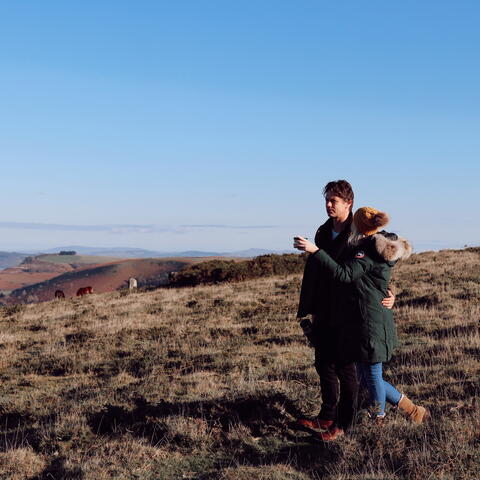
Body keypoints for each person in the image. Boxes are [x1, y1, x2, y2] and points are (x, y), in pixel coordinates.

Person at [294, 206, 428, 436]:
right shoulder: (377, 246)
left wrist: (315, 251)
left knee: (372, 374)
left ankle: (379, 420)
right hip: (362, 317)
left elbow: (345, 274)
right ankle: (412, 410)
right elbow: (375, 280)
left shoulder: (367, 251)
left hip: (370, 320)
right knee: (367, 375)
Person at [295, 180, 395, 441]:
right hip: (325, 308)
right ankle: (327, 415)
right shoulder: (323, 231)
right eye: (327, 200)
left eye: (334, 201)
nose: (328, 205)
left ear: (348, 203)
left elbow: (381, 258)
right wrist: (312, 306)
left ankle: (343, 424)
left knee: (346, 369)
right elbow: (319, 271)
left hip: (350, 311)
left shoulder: (360, 230)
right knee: (323, 364)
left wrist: (392, 291)